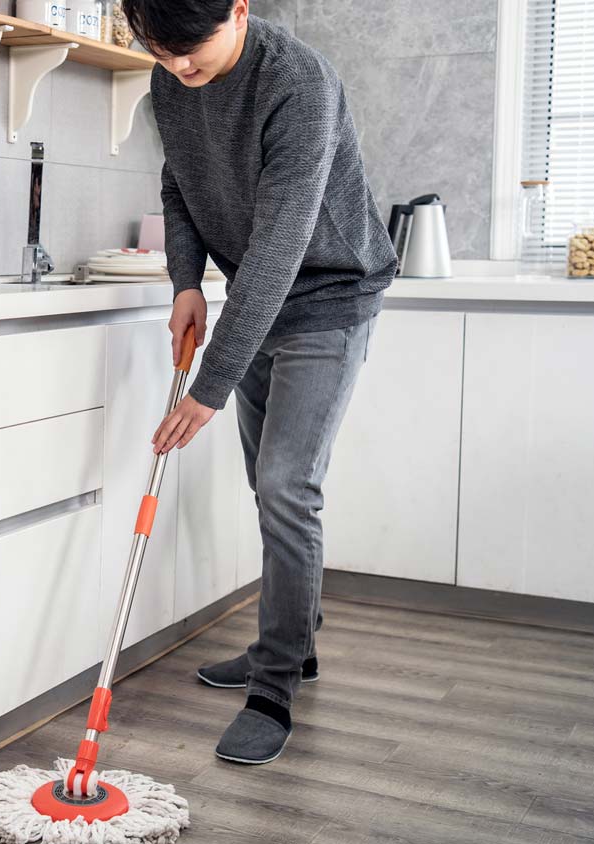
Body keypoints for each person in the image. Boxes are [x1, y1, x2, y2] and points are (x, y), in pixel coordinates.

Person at [124, 0, 398, 765]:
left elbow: (281, 246)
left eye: (190, 49)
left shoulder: (299, 85)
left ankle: (275, 686)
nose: (177, 68)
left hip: (328, 299)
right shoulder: (172, 77)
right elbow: (179, 187)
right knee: (263, 481)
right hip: (257, 296)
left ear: (239, 7)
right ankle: (294, 641)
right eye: (160, 49)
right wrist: (185, 283)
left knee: (285, 484)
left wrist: (210, 386)